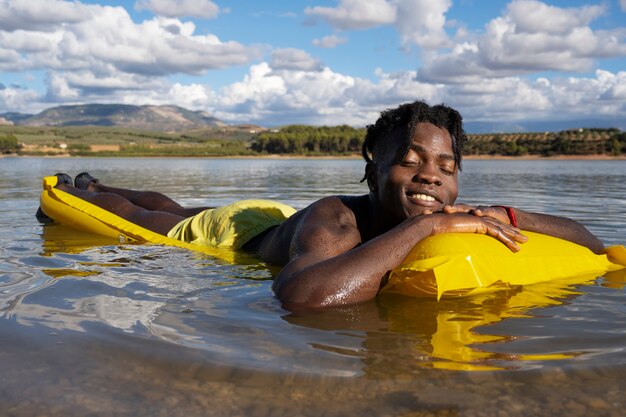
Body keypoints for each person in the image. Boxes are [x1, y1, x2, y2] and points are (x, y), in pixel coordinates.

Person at [40, 100, 604, 311]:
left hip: (279, 217)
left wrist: (507, 216)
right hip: (238, 233)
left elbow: (592, 244)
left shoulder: (445, 206)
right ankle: (81, 188)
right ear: (372, 171)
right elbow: (302, 297)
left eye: (447, 169)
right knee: (158, 217)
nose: (430, 176)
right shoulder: (337, 217)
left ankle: (96, 181)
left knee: (173, 200)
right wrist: (427, 228)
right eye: (409, 162)